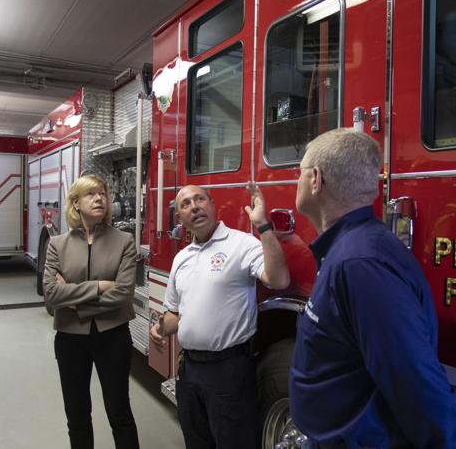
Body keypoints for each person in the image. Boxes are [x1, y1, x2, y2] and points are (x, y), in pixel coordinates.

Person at [290, 128, 456, 448]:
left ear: (316, 179)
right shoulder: (352, 249)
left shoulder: (358, 263)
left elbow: (412, 376)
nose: (296, 180)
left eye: (299, 172)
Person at [150, 183, 290, 449]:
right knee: (196, 441)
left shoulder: (241, 244)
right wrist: (160, 328)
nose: (194, 207)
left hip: (229, 370)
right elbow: (175, 313)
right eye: (185, 204)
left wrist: (263, 227)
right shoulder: (182, 258)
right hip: (189, 371)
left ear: (213, 204)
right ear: (179, 217)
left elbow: (279, 279)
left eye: (199, 199)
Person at [43, 174, 139, 449]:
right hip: (70, 340)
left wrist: (71, 299)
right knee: (77, 414)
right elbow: (51, 294)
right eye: (91, 194)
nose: (100, 199)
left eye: (103, 194)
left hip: (113, 337)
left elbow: (123, 293)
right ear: (75, 203)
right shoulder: (57, 245)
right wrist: (98, 286)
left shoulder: (124, 241)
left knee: (119, 412)